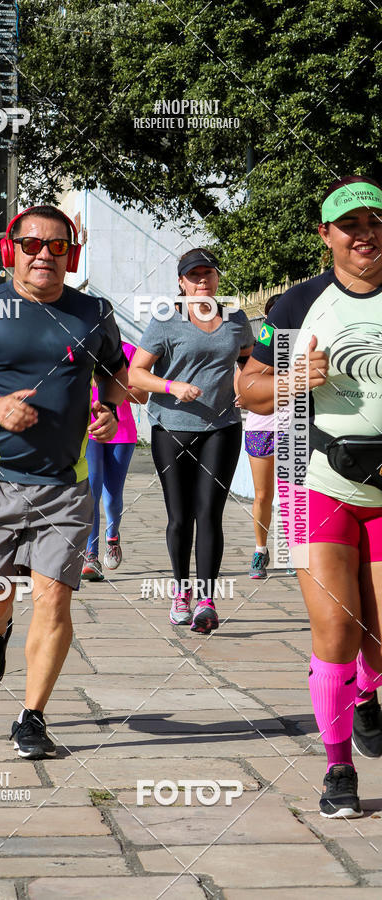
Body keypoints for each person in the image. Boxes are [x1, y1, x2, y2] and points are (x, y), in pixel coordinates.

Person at [0, 205, 127, 760]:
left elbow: (116, 375)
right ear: (10, 250)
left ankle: (32, 717)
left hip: (66, 487)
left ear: (72, 254)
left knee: (55, 602)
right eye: (32, 244)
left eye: (58, 245)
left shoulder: (93, 312)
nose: (44, 254)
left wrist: (109, 409)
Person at [238, 175, 382, 818]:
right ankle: (337, 767)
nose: (365, 235)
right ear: (326, 234)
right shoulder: (295, 306)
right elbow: (248, 390)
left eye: (375, 222)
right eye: (350, 225)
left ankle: (368, 692)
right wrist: (294, 377)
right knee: (337, 630)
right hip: (312, 479)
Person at [130, 248, 254, 632]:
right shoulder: (166, 320)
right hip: (172, 428)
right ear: (181, 283)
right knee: (180, 517)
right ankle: (180, 591)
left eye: (208, 274)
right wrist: (172, 386)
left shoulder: (236, 319)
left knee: (210, 513)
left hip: (223, 427)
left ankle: (206, 601)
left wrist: (246, 387)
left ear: (217, 277)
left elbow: (248, 361)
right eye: (194, 275)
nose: (202, 281)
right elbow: (136, 373)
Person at [81, 341, 148, 581]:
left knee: (112, 496)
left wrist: (114, 389)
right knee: (92, 491)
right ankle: (90, 556)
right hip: (88, 430)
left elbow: (142, 396)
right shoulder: (79, 348)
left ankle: (113, 537)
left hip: (122, 431)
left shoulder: (128, 351)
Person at [242, 294, 282, 578]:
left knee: (295, 495)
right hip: (260, 427)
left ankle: (295, 553)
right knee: (263, 494)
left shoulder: (305, 343)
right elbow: (244, 379)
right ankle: (260, 550)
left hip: (295, 426)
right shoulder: (260, 345)